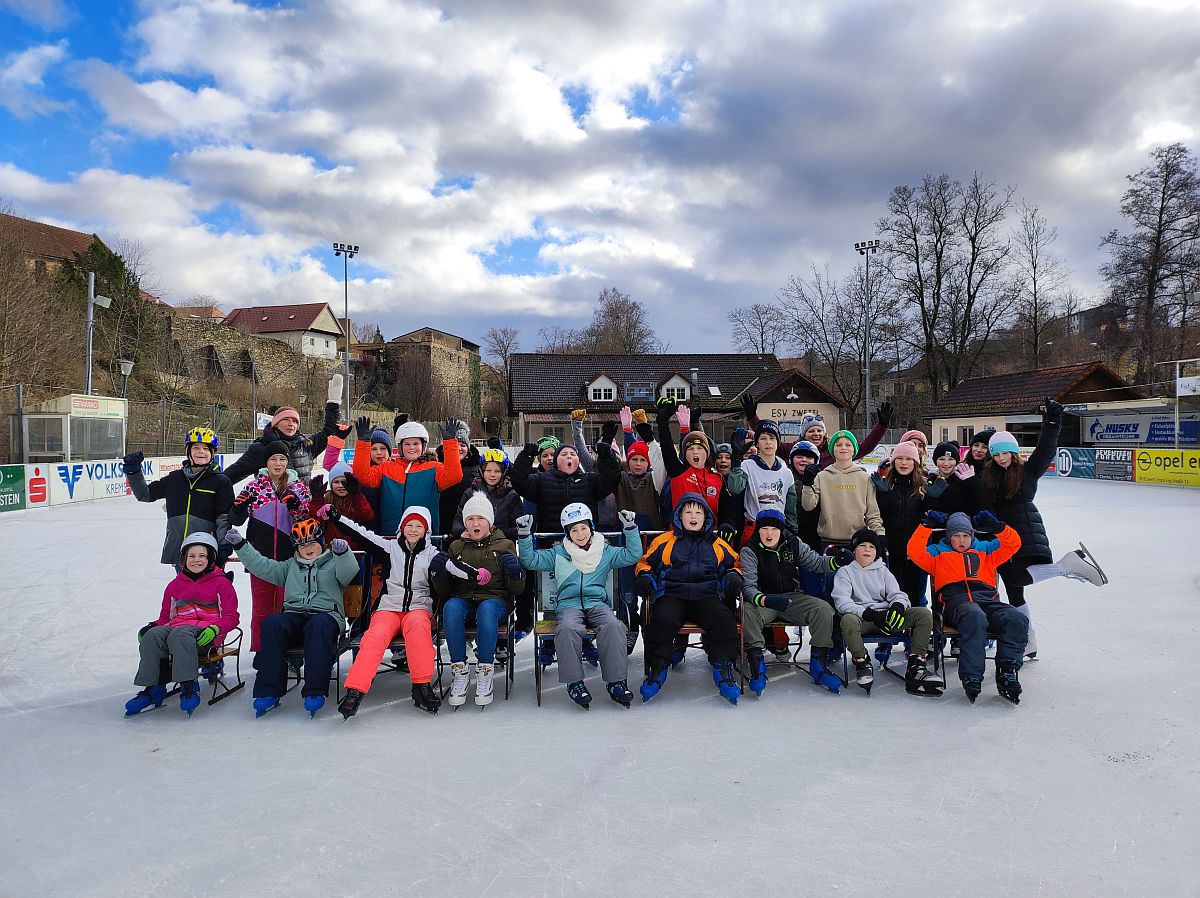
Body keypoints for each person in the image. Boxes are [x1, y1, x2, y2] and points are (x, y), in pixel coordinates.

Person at [328, 505, 483, 718]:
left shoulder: (432, 554)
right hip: (389, 609)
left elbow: (454, 566)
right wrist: (336, 517)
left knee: (419, 629)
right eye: (409, 525)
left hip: (418, 608)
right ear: (402, 527)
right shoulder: (389, 548)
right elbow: (359, 532)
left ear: (426, 531)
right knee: (374, 637)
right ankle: (355, 691)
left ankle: (422, 687)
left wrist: (476, 575)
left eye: (419, 526)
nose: (413, 529)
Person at [981, 401, 1108, 657]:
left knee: (1017, 578)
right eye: (996, 454)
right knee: (1014, 590)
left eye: (1005, 453)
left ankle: (1065, 566)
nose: (1001, 457)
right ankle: (1028, 640)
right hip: (1002, 536)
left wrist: (1052, 421)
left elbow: (1047, 448)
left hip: (1024, 529)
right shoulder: (989, 475)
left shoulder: (1027, 471)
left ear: (1014, 453)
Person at [224, 518, 359, 717]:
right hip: (295, 616)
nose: (308, 548)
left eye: (312, 543)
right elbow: (263, 566)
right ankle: (268, 691)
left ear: (321, 542)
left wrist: (343, 554)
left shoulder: (333, 562)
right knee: (272, 623)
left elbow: (349, 573)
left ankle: (314, 691)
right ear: (296, 548)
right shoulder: (290, 566)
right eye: (303, 545)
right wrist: (241, 546)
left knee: (318, 625)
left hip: (325, 616)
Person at [516, 504, 643, 709]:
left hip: (597, 603)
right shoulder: (558, 553)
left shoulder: (605, 550)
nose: (580, 534)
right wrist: (524, 534)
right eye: (574, 530)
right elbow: (530, 560)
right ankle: (574, 682)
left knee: (613, 626)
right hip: (569, 605)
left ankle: (616, 682)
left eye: (583, 528)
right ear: (567, 533)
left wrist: (630, 527)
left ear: (591, 527)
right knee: (566, 629)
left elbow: (632, 555)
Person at [634, 493, 744, 705]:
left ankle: (722, 667)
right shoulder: (665, 540)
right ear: (679, 516)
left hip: (706, 595)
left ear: (706, 517)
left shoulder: (717, 543)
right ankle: (657, 667)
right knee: (663, 619)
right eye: (688, 512)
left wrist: (733, 574)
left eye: (698, 512)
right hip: (673, 594)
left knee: (723, 618)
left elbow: (736, 563)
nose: (693, 516)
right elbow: (645, 562)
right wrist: (645, 576)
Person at [907, 510, 1027, 703]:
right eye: (955, 535)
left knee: (1015, 618)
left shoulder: (987, 550)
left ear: (972, 536)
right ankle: (972, 676)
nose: (961, 540)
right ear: (949, 537)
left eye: (965, 535)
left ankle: (1007, 670)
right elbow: (914, 551)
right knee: (974, 616)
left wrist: (998, 528)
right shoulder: (938, 554)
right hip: (956, 602)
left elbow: (1014, 543)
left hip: (988, 600)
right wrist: (925, 527)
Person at [124, 533, 240, 717]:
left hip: (207, 637)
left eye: (202, 556)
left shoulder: (221, 584)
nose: (196, 560)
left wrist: (215, 629)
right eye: (191, 556)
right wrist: (151, 627)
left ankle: (188, 686)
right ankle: (154, 688)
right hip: (178, 632)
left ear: (210, 559)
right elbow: (165, 618)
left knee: (180, 633)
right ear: (183, 560)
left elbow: (231, 617)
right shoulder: (175, 585)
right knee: (153, 636)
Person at [738, 509, 849, 696]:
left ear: (781, 530)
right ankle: (757, 665)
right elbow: (748, 587)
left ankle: (818, 664)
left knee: (823, 609)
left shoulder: (793, 543)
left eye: (773, 529)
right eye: (764, 528)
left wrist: (836, 562)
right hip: (764, 600)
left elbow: (815, 563)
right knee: (747, 611)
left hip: (790, 597)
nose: (769, 533)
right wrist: (765, 599)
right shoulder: (750, 550)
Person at [831, 528, 941, 696]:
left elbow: (898, 594)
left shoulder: (883, 571)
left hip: (888, 618)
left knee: (923, 614)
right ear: (854, 550)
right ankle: (861, 660)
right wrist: (870, 614)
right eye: (863, 546)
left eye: (872, 547)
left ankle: (916, 664)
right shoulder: (845, 572)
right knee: (847, 620)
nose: (867, 549)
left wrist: (897, 606)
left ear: (877, 552)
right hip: (864, 619)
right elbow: (842, 602)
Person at [443, 494, 526, 707]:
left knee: (487, 609)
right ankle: (459, 670)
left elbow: (516, 589)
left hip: (495, 600)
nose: (475, 523)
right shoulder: (457, 547)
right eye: (470, 519)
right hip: (464, 599)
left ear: (489, 521)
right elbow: (447, 590)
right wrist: (439, 575)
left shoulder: (504, 544)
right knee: (451, 606)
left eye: (480, 518)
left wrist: (516, 573)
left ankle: (485, 670)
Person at [228, 440, 311, 652]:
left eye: (282, 459)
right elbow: (236, 520)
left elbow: (305, 522)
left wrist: (294, 507)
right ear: (266, 462)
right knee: (262, 610)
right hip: (259, 558)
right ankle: (261, 650)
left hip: (290, 560)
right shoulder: (254, 487)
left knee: (287, 607)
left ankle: (289, 651)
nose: (278, 463)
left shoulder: (298, 487)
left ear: (287, 462)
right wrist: (237, 509)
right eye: (273, 459)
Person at [122, 427, 233, 566]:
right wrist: (133, 472)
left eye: (206, 448)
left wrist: (224, 547)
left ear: (213, 452)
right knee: (184, 588)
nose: (201, 452)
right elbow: (145, 494)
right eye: (196, 447)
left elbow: (224, 518)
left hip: (205, 551)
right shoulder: (174, 479)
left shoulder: (220, 481)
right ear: (188, 451)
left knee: (206, 588)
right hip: (179, 551)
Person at [350, 415, 464, 536]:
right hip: (391, 536)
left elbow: (454, 476)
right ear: (400, 447)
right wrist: (363, 443)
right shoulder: (386, 468)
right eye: (407, 444)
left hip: (425, 536)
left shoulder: (434, 468)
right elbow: (362, 476)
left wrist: (450, 442)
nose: (411, 448)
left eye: (416, 443)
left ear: (423, 446)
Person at [222, 373, 343, 486]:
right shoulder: (261, 447)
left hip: (302, 505)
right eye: (286, 420)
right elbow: (231, 475)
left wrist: (333, 404)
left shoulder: (306, 445)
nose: (291, 424)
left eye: (295, 421)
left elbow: (329, 432)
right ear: (275, 424)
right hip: (272, 506)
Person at [510, 436, 620, 533]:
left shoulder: (590, 480)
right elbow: (520, 482)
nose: (569, 457)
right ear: (556, 461)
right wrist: (526, 457)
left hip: (584, 541)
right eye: (564, 454)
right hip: (551, 543)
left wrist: (607, 458)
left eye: (572, 454)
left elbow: (611, 480)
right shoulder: (542, 480)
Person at [800, 429, 884, 549]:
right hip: (827, 541)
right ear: (832, 450)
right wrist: (807, 484)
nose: (843, 447)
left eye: (848, 445)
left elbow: (873, 513)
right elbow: (808, 506)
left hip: (857, 540)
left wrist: (879, 533)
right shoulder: (822, 476)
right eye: (838, 444)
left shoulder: (864, 477)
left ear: (854, 449)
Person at [871, 441, 932, 607]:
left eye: (908, 459)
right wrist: (882, 495)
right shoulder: (887, 485)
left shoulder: (923, 487)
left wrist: (933, 498)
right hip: (892, 549)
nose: (904, 463)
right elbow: (880, 516)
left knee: (915, 595)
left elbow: (927, 518)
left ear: (915, 463)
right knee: (893, 594)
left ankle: (915, 628)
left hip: (915, 551)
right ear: (893, 461)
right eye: (900, 459)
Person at [452, 448, 524, 542]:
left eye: (497, 471)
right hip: (472, 546)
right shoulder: (470, 493)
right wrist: (466, 532)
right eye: (488, 470)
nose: (492, 475)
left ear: (503, 473)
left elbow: (517, 529)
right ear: (482, 472)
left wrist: (492, 532)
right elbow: (458, 522)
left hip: (501, 546)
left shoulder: (512, 495)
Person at [309, 462, 376, 552]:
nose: (340, 486)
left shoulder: (357, 499)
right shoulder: (325, 501)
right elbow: (316, 524)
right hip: (332, 550)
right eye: (336, 482)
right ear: (331, 484)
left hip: (355, 551)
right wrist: (317, 499)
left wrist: (356, 496)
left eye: (344, 482)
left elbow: (367, 517)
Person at [437, 421, 479, 537]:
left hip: (468, 525)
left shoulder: (478, 469)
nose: (458, 448)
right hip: (442, 525)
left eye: (463, 445)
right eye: (455, 444)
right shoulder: (437, 466)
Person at [925, 440, 987, 517]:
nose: (946, 463)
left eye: (951, 459)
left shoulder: (964, 481)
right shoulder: (930, 481)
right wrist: (931, 498)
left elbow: (979, 505)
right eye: (941, 459)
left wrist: (974, 483)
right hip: (935, 526)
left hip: (960, 526)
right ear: (935, 461)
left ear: (956, 461)